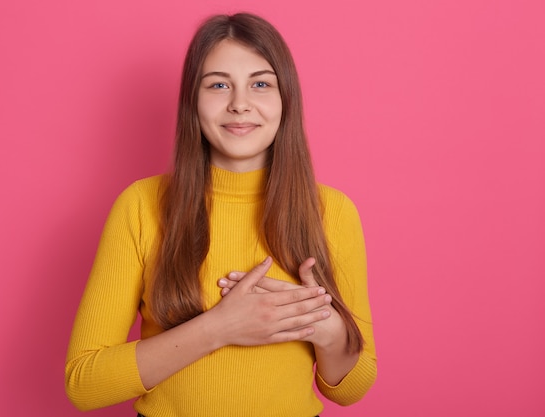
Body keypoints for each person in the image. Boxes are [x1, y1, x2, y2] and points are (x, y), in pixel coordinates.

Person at [65, 12, 376, 417]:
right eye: (219, 85)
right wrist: (220, 328)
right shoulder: (140, 206)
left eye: (261, 84)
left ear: (286, 101)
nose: (240, 104)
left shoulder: (331, 211)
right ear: (193, 101)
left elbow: (351, 389)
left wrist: (331, 333)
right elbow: (84, 383)